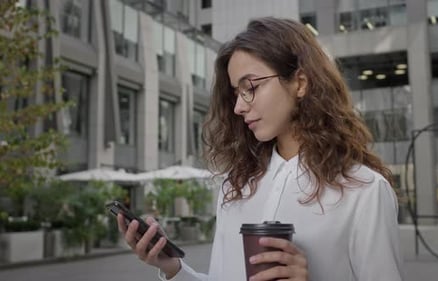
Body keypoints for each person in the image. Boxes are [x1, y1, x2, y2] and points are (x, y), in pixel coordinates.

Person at [117, 17, 403, 281]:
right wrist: (171, 267)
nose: (240, 107)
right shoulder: (236, 185)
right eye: (235, 93)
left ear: (300, 83)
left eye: (250, 87)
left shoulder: (364, 190)